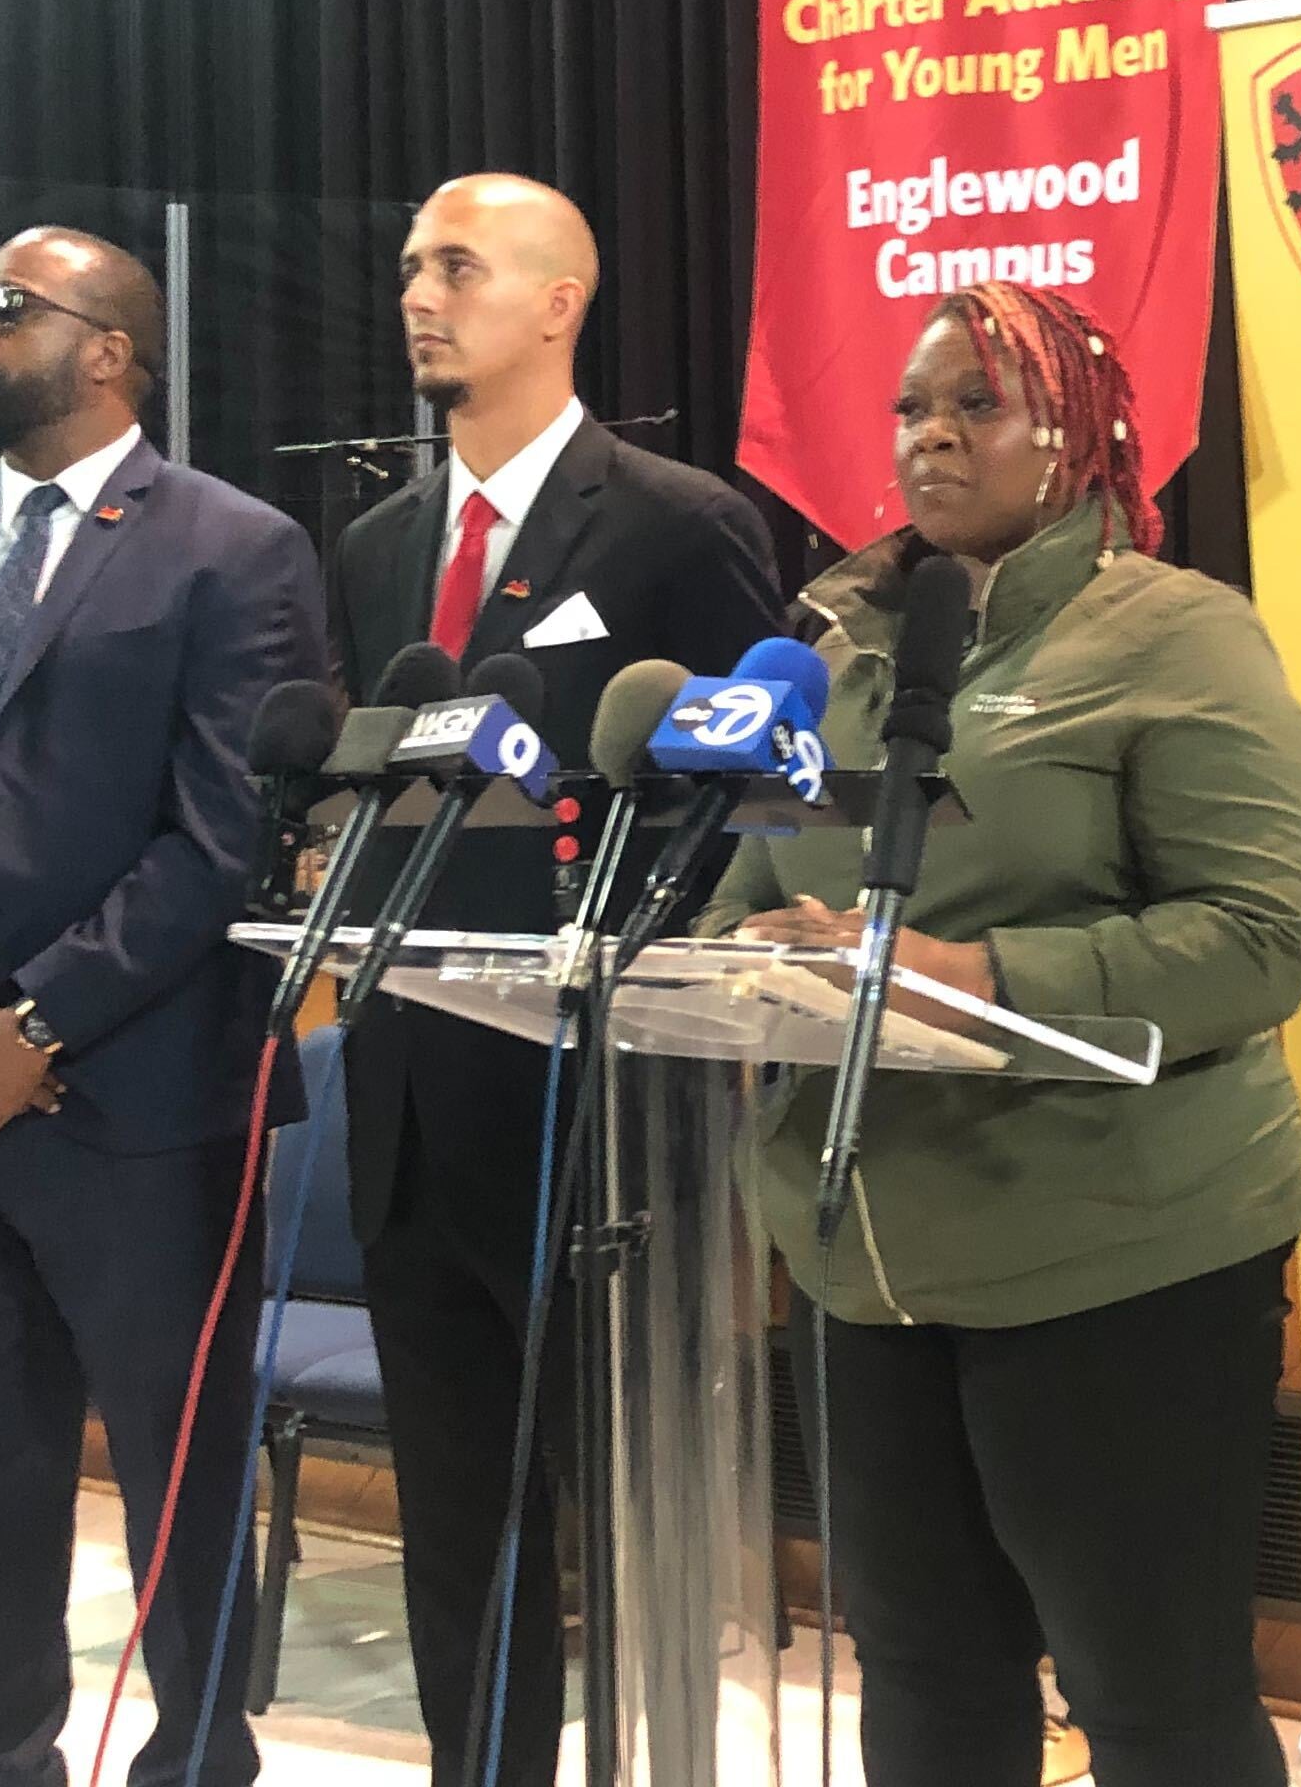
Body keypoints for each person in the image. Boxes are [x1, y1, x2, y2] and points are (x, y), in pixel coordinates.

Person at [712, 283, 1301, 1787]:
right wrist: (720, 960)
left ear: (1079, 432)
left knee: (1153, 1698)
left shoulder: (1176, 637)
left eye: (973, 405)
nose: (930, 435)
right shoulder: (836, 639)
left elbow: (1259, 941)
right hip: (863, 1258)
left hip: (1120, 1248)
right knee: (923, 1680)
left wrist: (960, 971)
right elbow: (743, 889)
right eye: (912, 408)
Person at [0, 229, 328, 1787]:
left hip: (143, 1105)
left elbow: (225, 837)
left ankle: (197, 1763)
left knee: (180, 1484)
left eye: (3, 307)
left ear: (109, 351)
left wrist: (28, 1027)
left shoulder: (233, 548)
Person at [321, 175, 780, 1787]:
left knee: (630, 1518)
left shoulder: (673, 523)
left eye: (456, 265)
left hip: (595, 1124)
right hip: (408, 1116)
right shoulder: (380, 546)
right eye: (407, 266)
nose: (418, 295)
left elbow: (748, 815)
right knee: (459, 1534)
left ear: (560, 300)